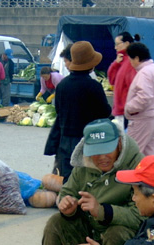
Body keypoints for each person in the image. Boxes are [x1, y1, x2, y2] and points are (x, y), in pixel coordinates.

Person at [44, 41, 111, 181]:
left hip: (65, 139)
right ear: (91, 65)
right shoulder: (94, 86)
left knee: (67, 177)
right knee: (87, 176)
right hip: (89, 138)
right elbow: (105, 112)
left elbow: (59, 110)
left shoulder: (62, 85)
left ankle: (66, 200)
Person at [125, 42, 154, 156]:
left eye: (131, 59)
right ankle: (153, 174)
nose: (130, 63)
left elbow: (144, 97)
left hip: (143, 118)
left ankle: (130, 174)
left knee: (131, 154)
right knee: (152, 154)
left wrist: (129, 108)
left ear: (137, 58)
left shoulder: (145, 72)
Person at [107, 32, 139, 130]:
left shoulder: (131, 62)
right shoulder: (121, 60)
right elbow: (111, 80)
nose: (115, 47)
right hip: (120, 110)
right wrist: (115, 64)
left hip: (126, 111)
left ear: (126, 44)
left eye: (117, 44)